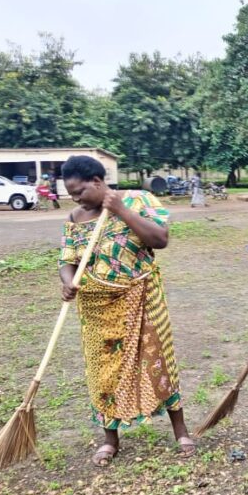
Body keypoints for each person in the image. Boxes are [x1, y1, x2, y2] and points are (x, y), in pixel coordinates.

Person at [59, 156, 194, 466]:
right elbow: (67, 261)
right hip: (96, 309)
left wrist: (120, 209)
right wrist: (67, 282)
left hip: (142, 298)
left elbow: (159, 239)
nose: (76, 198)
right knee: (102, 372)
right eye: (71, 193)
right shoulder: (74, 218)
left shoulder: (138, 199)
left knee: (158, 362)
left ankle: (181, 430)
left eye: (79, 191)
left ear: (97, 181)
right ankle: (110, 439)